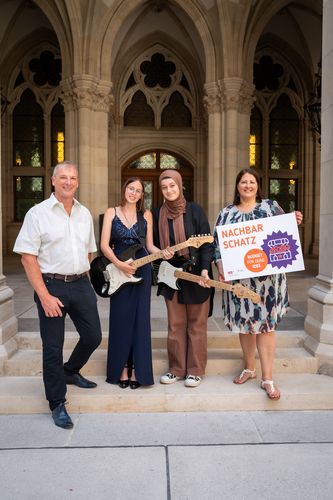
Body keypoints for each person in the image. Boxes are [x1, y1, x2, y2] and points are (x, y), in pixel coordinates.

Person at [13, 161, 102, 429]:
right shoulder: (37, 213)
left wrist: (83, 276)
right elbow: (28, 258)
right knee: (52, 347)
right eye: (63, 177)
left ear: (77, 182)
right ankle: (56, 402)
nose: (68, 182)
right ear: (53, 181)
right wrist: (44, 296)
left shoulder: (84, 213)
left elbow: (89, 251)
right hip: (51, 286)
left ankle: (71, 371)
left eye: (73, 178)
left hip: (80, 284)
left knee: (93, 336)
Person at [213, 167, 303, 400]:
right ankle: (248, 368)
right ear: (237, 186)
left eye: (251, 182)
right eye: (243, 182)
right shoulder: (226, 213)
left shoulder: (270, 207)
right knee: (245, 325)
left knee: (266, 326)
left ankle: (268, 378)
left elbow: (285, 233)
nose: (247, 186)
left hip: (268, 283)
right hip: (239, 280)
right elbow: (217, 246)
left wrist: (294, 221)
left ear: (257, 186)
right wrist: (221, 268)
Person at [100, 177, 170, 389]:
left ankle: (138, 370)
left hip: (143, 271)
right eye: (131, 188)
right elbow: (104, 245)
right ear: (124, 190)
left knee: (140, 321)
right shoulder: (111, 212)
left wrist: (163, 252)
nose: (133, 193)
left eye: (138, 190)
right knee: (121, 319)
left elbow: (149, 246)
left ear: (141, 195)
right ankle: (121, 368)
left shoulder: (146, 215)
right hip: (119, 270)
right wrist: (120, 264)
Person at [152, 169, 214, 388]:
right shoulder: (156, 213)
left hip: (197, 274)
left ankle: (195, 370)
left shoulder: (194, 210)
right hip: (170, 275)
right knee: (175, 324)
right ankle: (176, 369)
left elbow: (207, 244)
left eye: (173, 186)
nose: (169, 190)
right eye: (164, 187)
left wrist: (205, 270)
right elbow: (152, 246)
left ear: (180, 186)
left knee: (197, 325)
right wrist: (162, 252)